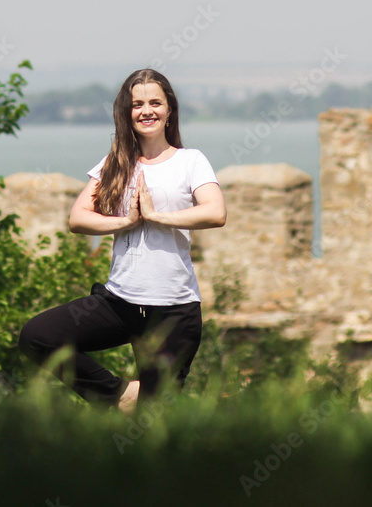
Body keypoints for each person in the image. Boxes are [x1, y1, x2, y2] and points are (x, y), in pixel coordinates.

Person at [18, 68, 226, 412]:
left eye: (155, 102)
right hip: (119, 303)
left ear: (169, 109)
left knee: (152, 422)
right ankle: (116, 394)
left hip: (174, 311)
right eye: (137, 104)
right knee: (38, 337)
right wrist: (125, 220)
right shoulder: (115, 164)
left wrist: (157, 216)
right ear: (126, 113)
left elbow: (215, 212)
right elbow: (77, 218)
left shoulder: (191, 161)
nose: (147, 111)